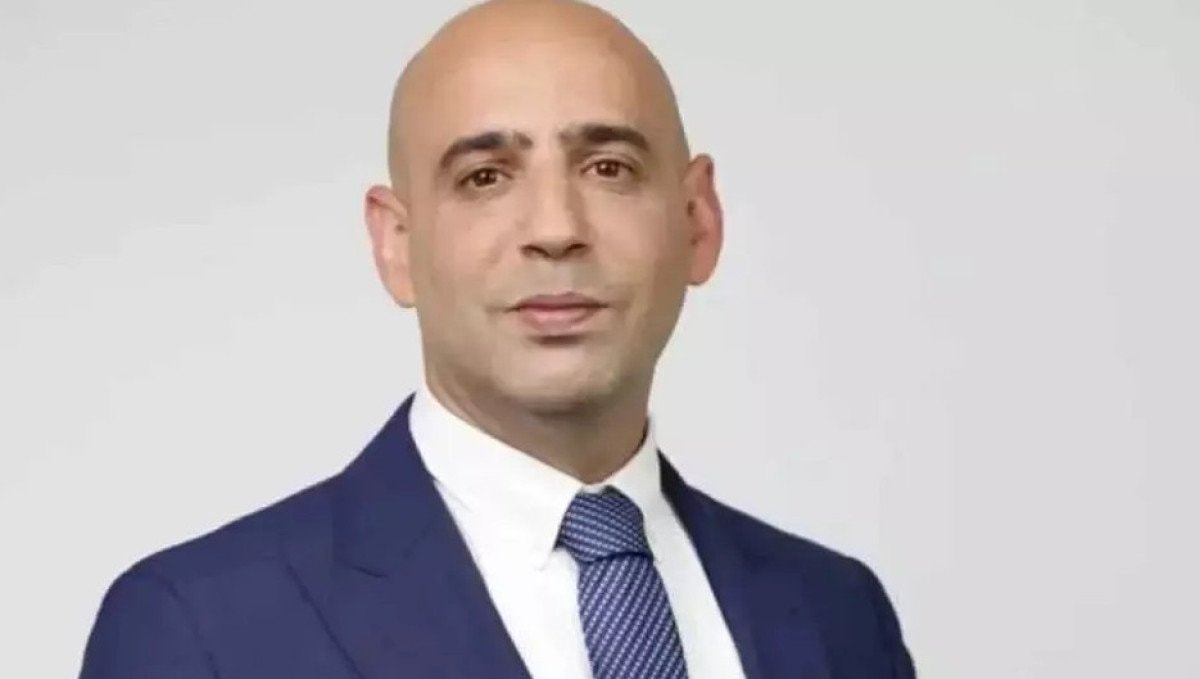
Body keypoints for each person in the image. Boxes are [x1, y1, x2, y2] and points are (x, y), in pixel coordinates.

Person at [79, 1, 916, 677]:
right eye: (484, 177)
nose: (555, 228)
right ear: (396, 245)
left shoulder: (840, 615)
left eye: (609, 167)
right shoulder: (200, 629)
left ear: (699, 220)